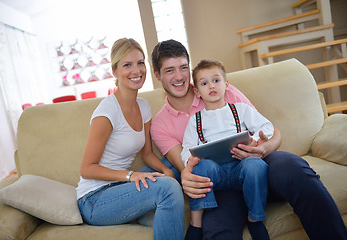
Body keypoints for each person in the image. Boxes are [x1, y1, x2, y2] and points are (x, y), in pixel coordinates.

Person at [150, 39, 347, 240]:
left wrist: (264, 148)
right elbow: (187, 167)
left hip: (256, 166)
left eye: (183, 68)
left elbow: (270, 131)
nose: (179, 76)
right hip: (220, 185)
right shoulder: (160, 125)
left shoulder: (221, 89)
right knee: (218, 232)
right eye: (169, 71)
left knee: (294, 167)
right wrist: (186, 177)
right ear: (157, 75)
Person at [76, 38, 184, 240]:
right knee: (167, 187)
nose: (137, 70)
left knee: (178, 163)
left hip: (121, 188)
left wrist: (167, 170)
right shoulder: (106, 112)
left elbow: (148, 154)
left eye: (140, 63)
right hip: (95, 199)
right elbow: (87, 168)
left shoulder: (143, 106)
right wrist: (131, 175)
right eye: (127, 65)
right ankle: (151, 208)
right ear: (115, 72)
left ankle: (146, 212)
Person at [181, 59, 272, 240]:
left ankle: (255, 219)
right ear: (197, 92)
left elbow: (267, 127)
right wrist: (189, 162)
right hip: (216, 174)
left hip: (241, 167)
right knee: (201, 169)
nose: (211, 86)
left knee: (256, 165)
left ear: (226, 84)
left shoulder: (241, 109)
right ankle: (197, 223)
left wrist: (253, 141)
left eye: (216, 80)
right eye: (204, 83)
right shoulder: (195, 119)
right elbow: (187, 148)